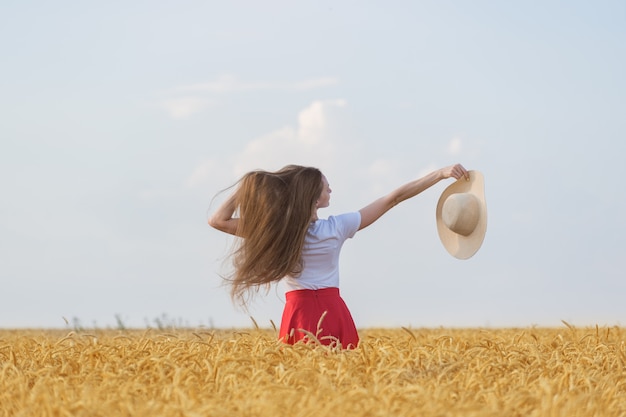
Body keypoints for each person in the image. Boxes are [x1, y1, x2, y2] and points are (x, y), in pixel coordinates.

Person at [208, 163, 469, 349]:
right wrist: (439, 174)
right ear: (314, 197)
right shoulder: (336, 228)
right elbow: (393, 199)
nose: (330, 191)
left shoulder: (276, 231)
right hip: (334, 312)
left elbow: (217, 220)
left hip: (299, 314)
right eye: (326, 188)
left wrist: (245, 189)